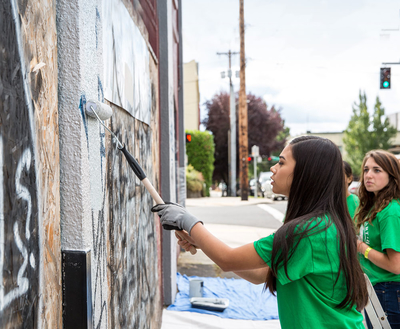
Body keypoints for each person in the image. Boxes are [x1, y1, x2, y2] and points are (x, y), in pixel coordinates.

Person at [152, 136, 368, 329]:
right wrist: (201, 241)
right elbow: (259, 273)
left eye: (282, 163)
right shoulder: (324, 224)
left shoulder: (307, 232)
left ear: (306, 173)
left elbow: (228, 259)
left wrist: (188, 222)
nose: (273, 168)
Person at [355, 150, 400, 329]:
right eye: (366, 170)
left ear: (392, 175)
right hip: (375, 289)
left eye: (377, 170)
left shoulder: (390, 212)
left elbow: (395, 265)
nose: (368, 175)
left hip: (389, 291)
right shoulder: (374, 206)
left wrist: (361, 247)